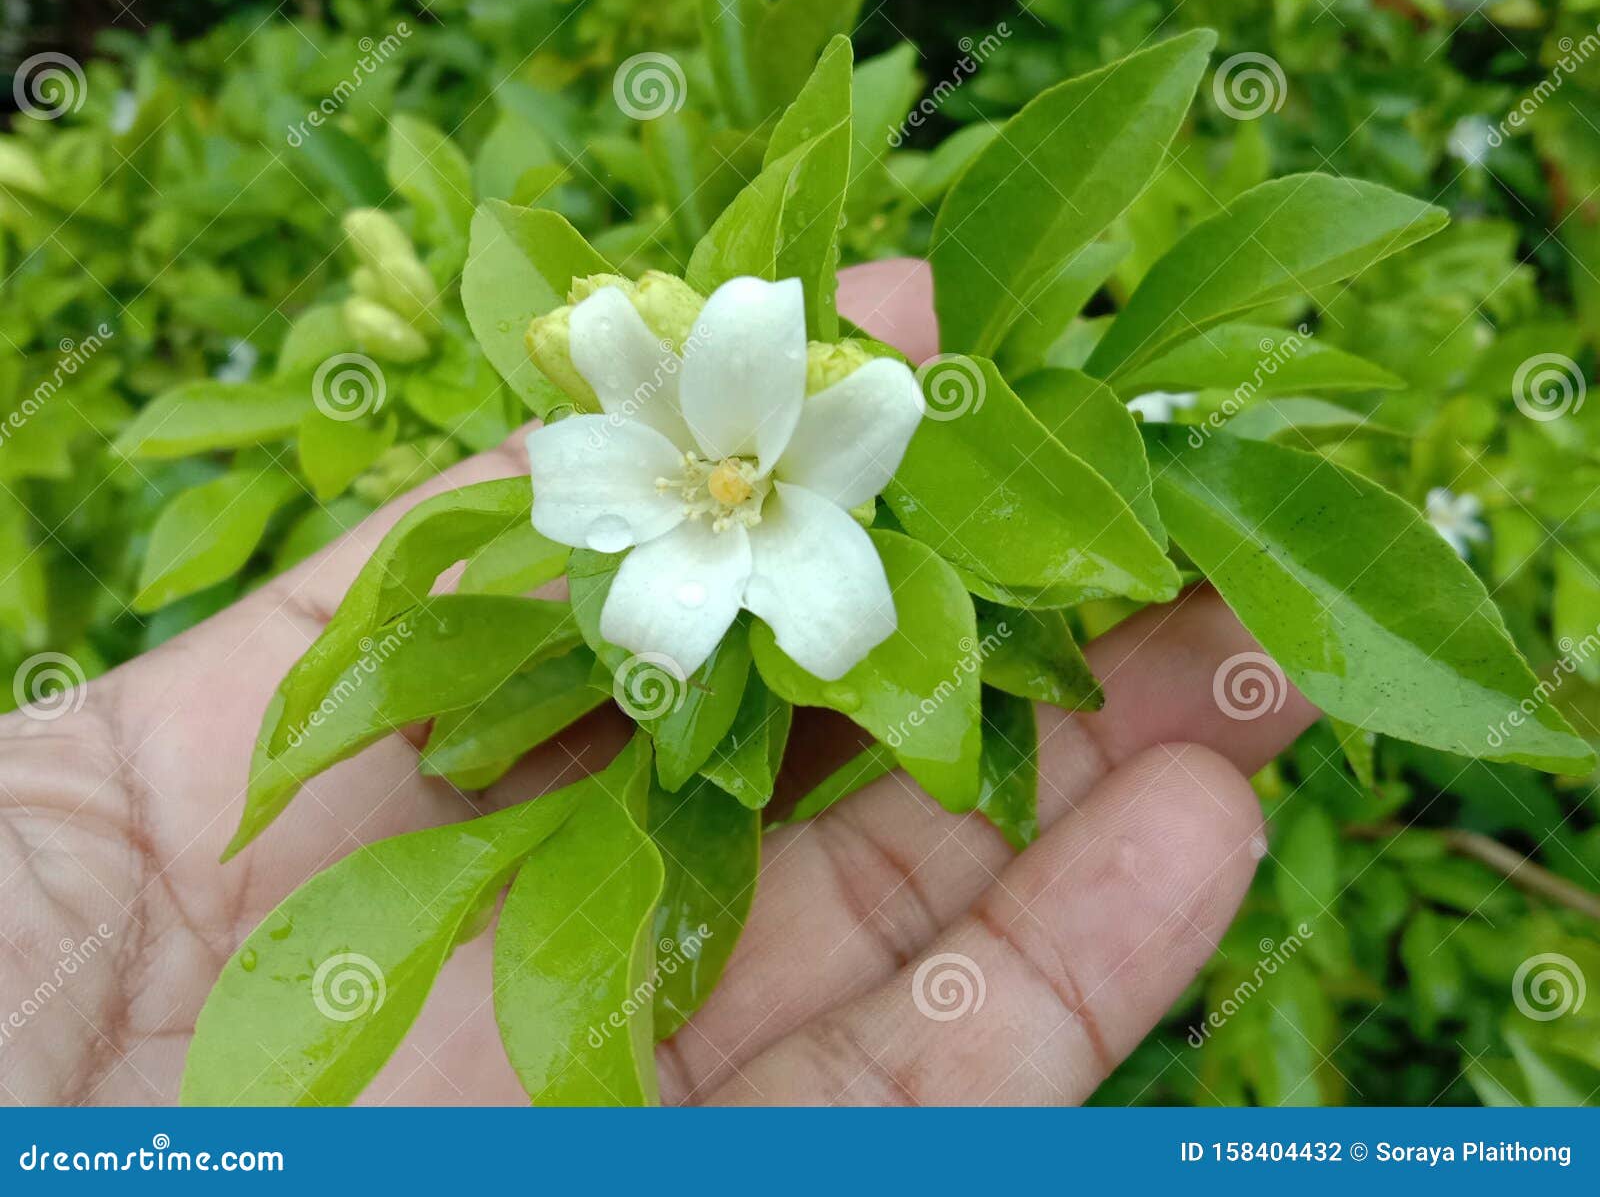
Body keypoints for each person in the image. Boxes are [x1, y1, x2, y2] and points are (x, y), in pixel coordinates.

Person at [0, 260, 1315, 1106]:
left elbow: (830, 512)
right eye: (718, 475)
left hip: (795, 539)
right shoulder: (648, 488)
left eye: (739, 473)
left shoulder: (820, 432)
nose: (728, 482)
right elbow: (650, 550)